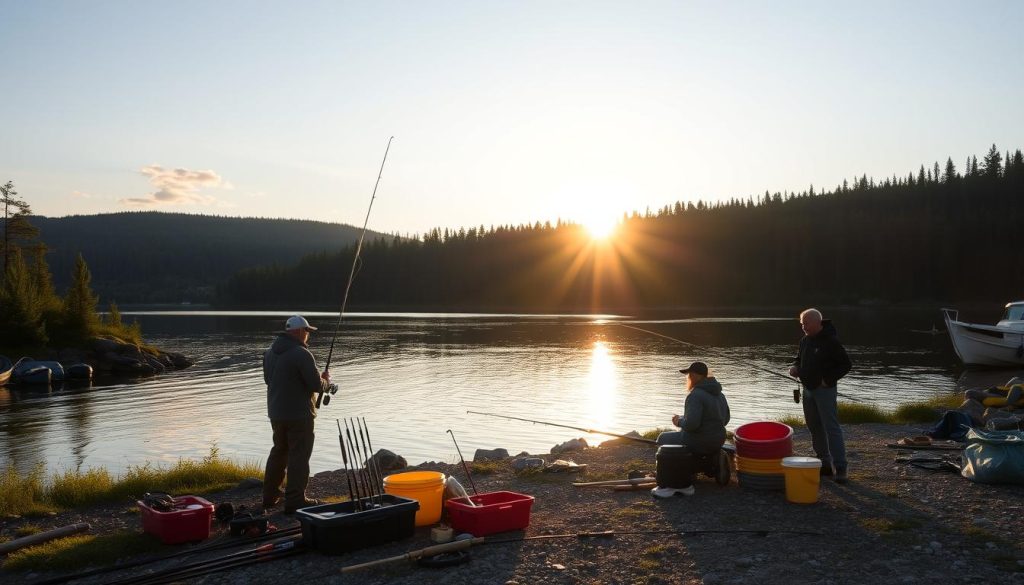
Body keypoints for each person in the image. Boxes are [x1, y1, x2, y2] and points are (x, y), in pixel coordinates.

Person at [262, 315, 332, 513]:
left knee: (279, 452)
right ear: (300, 332)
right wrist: (326, 380)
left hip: (276, 413)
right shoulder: (302, 354)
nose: (308, 335)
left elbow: (269, 380)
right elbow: (316, 385)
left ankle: (269, 496)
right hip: (299, 415)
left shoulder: (269, 353)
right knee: (299, 456)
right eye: (307, 331)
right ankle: (295, 500)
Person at [789, 308, 852, 483]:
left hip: (825, 391)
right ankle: (824, 463)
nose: (804, 327)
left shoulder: (831, 341)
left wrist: (828, 380)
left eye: (806, 323)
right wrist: (795, 367)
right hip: (807, 390)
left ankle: (841, 467)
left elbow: (846, 364)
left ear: (818, 322)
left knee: (831, 427)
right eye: (802, 324)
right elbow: (798, 358)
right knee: (814, 426)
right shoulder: (804, 341)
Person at [655, 361, 731, 495]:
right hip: (718, 439)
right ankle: (713, 460)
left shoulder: (695, 395)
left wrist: (679, 421)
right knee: (684, 438)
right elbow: (725, 420)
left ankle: (684, 471)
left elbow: (692, 425)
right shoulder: (720, 395)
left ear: (696, 376)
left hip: (699, 441)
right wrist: (686, 419)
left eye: (689, 375)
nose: (688, 378)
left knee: (662, 438)